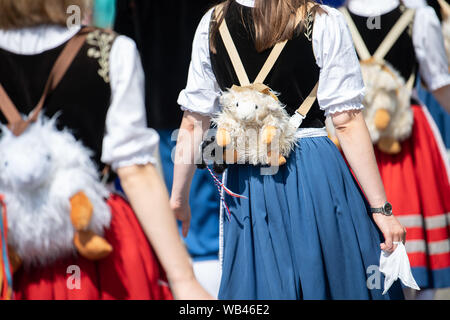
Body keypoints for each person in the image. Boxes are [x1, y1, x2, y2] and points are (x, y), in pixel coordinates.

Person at [172, 0, 407, 300]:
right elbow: (346, 122)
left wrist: (179, 197)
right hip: (312, 169)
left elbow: (194, 122)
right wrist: (380, 209)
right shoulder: (322, 20)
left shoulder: (213, 22)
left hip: (247, 182)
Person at [0, 0, 211, 300]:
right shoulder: (111, 50)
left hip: (9, 245)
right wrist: (183, 279)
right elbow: (135, 172)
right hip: (94, 250)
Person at [114, 0, 222, 297]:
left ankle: (189, 280)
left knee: (190, 217)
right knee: (203, 222)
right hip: (200, 101)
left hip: (163, 98)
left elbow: (122, 32)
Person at [342, 0, 450, 295]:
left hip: (355, 138)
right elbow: (439, 83)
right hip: (405, 141)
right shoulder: (418, 16)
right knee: (409, 250)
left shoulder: (334, 20)